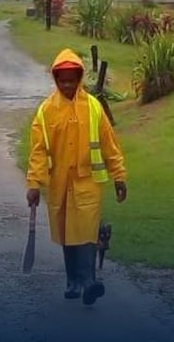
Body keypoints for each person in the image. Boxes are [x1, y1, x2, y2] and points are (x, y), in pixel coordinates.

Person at [25, 48, 127, 306]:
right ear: (56, 80)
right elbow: (38, 151)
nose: (68, 85)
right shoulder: (46, 111)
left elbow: (109, 144)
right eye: (63, 80)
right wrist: (34, 184)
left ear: (80, 78)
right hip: (60, 183)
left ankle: (90, 282)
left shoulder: (93, 107)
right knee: (67, 234)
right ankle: (73, 281)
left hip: (88, 182)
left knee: (87, 233)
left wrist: (119, 176)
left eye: (72, 79)